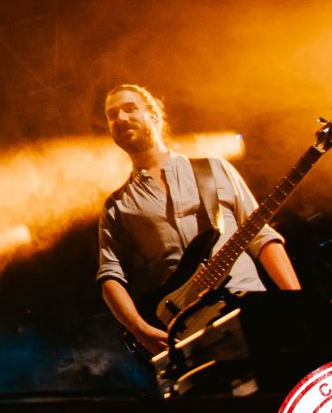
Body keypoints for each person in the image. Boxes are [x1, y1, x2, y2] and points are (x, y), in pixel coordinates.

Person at [95, 83, 300, 354]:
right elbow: (110, 276)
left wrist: (298, 300)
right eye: (112, 114)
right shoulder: (116, 206)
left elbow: (260, 236)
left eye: (130, 108)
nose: (120, 118)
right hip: (187, 330)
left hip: (250, 304)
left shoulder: (214, 169)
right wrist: (139, 329)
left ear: (153, 114)